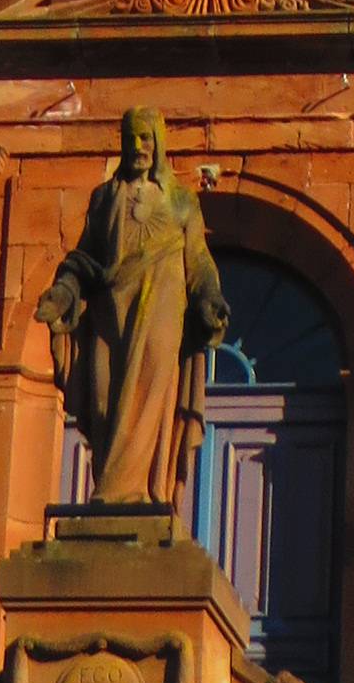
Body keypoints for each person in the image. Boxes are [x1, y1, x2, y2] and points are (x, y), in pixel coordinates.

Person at [36, 108, 227, 508]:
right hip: (110, 311)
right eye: (132, 138)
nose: (139, 146)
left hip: (161, 309)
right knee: (104, 402)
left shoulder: (180, 200)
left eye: (146, 138)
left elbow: (200, 260)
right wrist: (65, 293)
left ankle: (133, 496)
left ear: (159, 143)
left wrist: (209, 298)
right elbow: (84, 258)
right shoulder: (104, 197)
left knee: (150, 400)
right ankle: (109, 485)